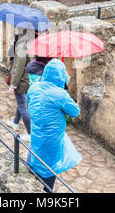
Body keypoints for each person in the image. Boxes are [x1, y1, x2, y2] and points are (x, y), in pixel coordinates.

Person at [26, 59, 82, 193]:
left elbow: (29, 102)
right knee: (48, 173)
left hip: (37, 134)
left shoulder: (34, 87)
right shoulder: (61, 95)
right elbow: (75, 111)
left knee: (35, 163)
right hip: (52, 141)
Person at [7, 28, 32, 141]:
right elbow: (10, 56)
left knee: (22, 106)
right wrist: (13, 45)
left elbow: (18, 67)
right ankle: (16, 122)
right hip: (25, 79)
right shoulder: (24, 43)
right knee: (21, 102)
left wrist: (13, 85)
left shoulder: (22, 46)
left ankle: (30, 132)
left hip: (21, 81)